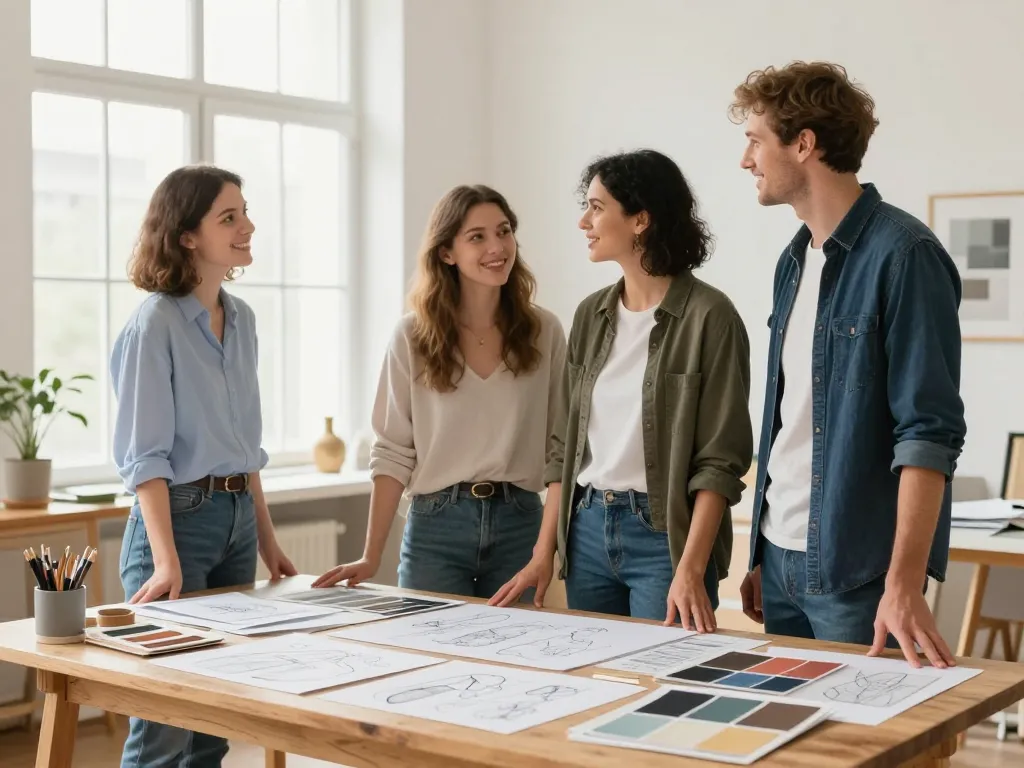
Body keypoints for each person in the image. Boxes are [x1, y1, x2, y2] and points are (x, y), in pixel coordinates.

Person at [730, 61, 967, 668]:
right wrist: (762, 552)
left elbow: (928, 433)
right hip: (781, 559)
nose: (745, 159)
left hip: (860, 572)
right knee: (787, 747)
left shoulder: (906, 255)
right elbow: (788, 416)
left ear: (803, 144)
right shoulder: (792, 260)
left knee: (865, 755)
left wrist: (904, 583)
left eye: (755, 140)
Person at [491, 149, 753, 631]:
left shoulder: (710, 318)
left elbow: (721, 461)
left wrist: (691, 567)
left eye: (596, 206)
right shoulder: (591, 315)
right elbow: (562, 447)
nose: (583, 221)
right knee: (598, 684)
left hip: (665, 539)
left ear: (640, 219)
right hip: (586, 529)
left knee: (666, 686)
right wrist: (541, 553)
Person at [111, 164, 297, 767]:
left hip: (237, 521)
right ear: (187, 235)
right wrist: (166, 560)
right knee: (164, 726)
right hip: (176, 526)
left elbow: (246, 448)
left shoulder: (241, 320)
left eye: (243, 211)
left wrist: (267, 540)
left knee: (215, 720)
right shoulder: (156, 323)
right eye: (229, 217)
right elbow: (145, 457)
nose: (248, 225)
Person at [313, 185, 566, 599]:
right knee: (427, 651)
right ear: (447, 252)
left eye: (504, 231)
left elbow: (562, 451)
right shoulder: (412, 335)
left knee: (513, 657)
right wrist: (370, 556)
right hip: (436, 527)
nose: (497, 247)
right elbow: (394, 449)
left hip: (520, 521)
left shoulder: (545, 332)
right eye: (477, 237)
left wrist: (545, 550)